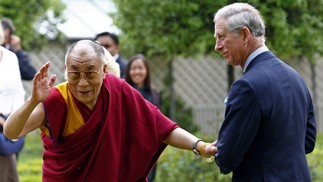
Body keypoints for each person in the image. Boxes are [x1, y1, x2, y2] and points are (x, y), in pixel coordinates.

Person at [3, 40, 217, 182]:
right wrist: (32, 100)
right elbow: (11, 133)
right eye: (74, 74)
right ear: (66, 71)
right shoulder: (57, 99)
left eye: (90, 73)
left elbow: (160, 126)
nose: (82, 83)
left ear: (105, 70)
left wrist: (199, 145)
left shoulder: (118, 90)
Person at [212, 3, 317, 181]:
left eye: (221, 37)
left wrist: (221, 148)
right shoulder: (296, 78)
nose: (217, 46)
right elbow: (307, 141)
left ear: (245, 34)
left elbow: (227, 157)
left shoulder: (246, 86)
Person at [125, 54, 161, 181]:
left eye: (140, 68)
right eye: (133, 68)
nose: (137, 72)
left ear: (146, 71)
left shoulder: (155, 94)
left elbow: (159, 122)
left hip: (149, 147)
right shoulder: (123, 92)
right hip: (127, 146)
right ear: (128, 71)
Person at [0, 22, 25, 182]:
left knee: (7, 175)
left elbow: (18, 90)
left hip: (8, 126)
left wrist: (15, 120)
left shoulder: (10, 57)